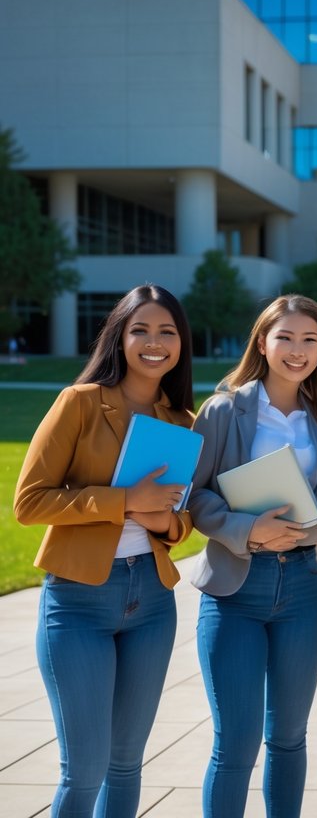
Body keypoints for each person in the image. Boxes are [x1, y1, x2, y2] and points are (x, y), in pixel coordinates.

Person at [14, 285, 194, 817]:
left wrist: (168, 523)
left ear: (181, 342)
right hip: (78, 602)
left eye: (167, 331)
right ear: (119, 336)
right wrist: (123, 502)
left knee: (125, 764)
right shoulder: (80, 402)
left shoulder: (181, 420)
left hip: (152, 604)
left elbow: (184, 516)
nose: (154, 342)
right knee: (85, 769)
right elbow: (29, 501)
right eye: (141, 329)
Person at [189, 295, 317, 818]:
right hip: (236, 589)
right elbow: (195, 495)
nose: (298, 351)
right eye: (286, 337)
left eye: (310, 340)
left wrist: (308, 529)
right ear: (262, 342)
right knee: (235, 744)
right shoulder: (225, 410)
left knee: (289, 738)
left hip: (300, 588)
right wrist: (247, 529)